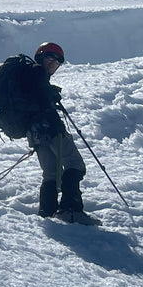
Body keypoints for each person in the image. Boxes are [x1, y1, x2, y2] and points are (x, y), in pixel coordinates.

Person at [26, 41, 87, 220]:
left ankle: (47, 212)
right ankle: (71, 210)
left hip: (34, 132)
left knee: (51, 173)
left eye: (57, 61)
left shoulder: (28, 76)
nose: (53, 62)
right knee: (75, 165)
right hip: (50, 128)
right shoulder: (37, 73)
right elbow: (39, 100)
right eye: (50, 57)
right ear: (40, 56)